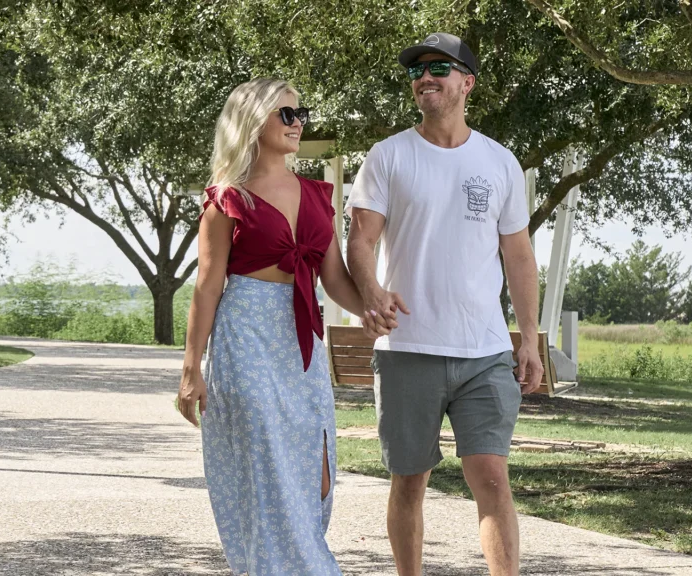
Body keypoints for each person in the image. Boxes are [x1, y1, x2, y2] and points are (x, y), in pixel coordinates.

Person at [177, 77, 403, 576]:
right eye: (286, 114)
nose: (299, 123)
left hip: (301, 340)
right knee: (267, 468)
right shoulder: (227, 198)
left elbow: (335, 278)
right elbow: (207, 287)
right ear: (252, 121)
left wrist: (370, 306)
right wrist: (192, 368)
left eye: (301, 114)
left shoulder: (317, 196)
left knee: (315, 470)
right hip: (245, 337)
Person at [345, 33, 544, 576]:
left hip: (483, 350)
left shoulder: (500, 162)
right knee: (409, 481)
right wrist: (371, 290)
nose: (425, 77)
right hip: (407, 346)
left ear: (466, 82)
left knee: (492, 475)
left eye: (439, 67)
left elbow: (519, 257)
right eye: (417, 71)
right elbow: (360, 241)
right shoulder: (387, 156)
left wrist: (528, 337)